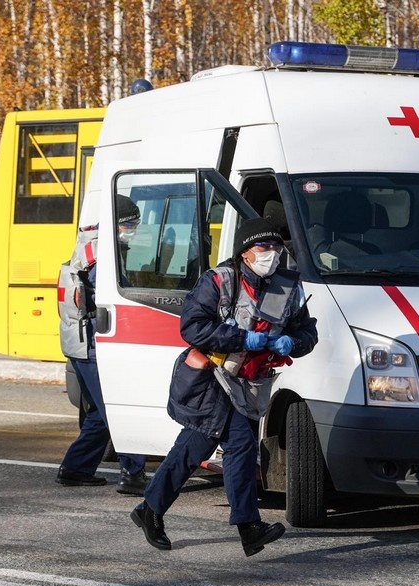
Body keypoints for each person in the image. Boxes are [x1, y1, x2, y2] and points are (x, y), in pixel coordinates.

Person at [130, 216, 318, 557]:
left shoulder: (287, 287)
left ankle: (150, 510)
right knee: (242, 446)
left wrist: (294, 342)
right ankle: (249, 527)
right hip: (210, 380)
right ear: (245, 252)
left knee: (191, 450)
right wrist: (243, 337)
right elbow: (193, 328)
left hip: (249, 385)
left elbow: (308, 332)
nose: (271, 254)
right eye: (263, 247)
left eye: (276, 248)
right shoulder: (218, 281)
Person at [56, 194, 149, 495]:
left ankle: (76, 468)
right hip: (95, 344)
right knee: (118, 408)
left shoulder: (89, 245)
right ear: (118, 224)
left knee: (98, 411)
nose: (134, 228)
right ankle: (133, 474)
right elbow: (110, 296)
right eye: (131, 223)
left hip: (80, 343)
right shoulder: (103, 255)